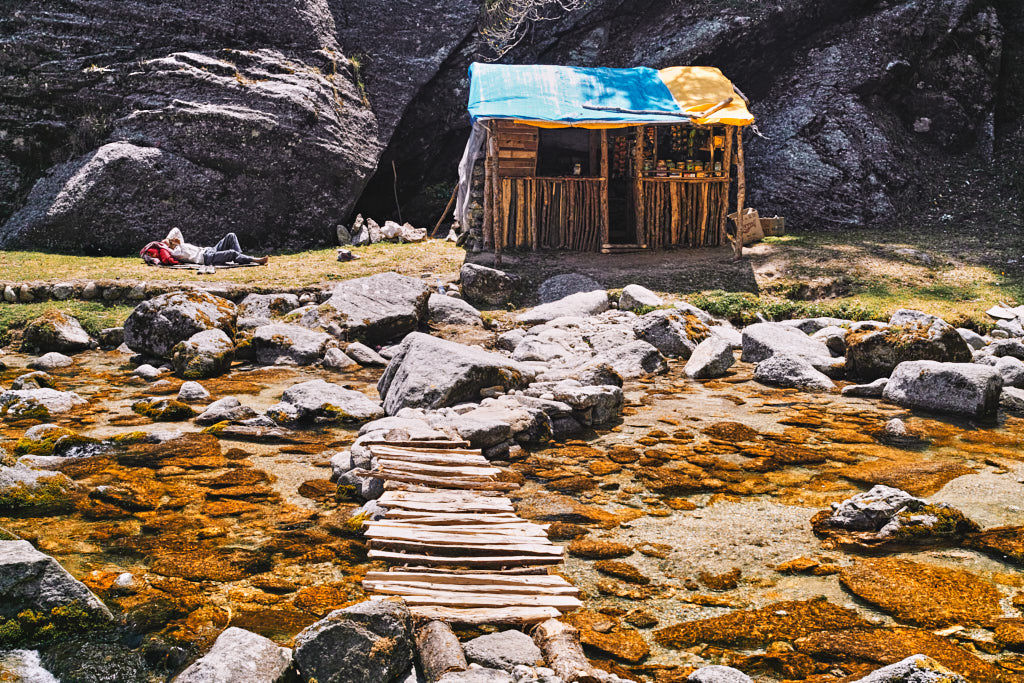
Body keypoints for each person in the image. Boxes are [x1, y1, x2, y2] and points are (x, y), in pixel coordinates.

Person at [163, 228, 268, 272]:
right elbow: (186, 254)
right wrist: (179, 244)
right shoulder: (174, 253)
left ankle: (240, 257)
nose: (172, 243)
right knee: (231, 253)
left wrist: (168, 238)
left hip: (209, 250)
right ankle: (255, 260)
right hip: (206, 258)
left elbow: (176, 230)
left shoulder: (177, 244)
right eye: (170, 244)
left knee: (230, 236)